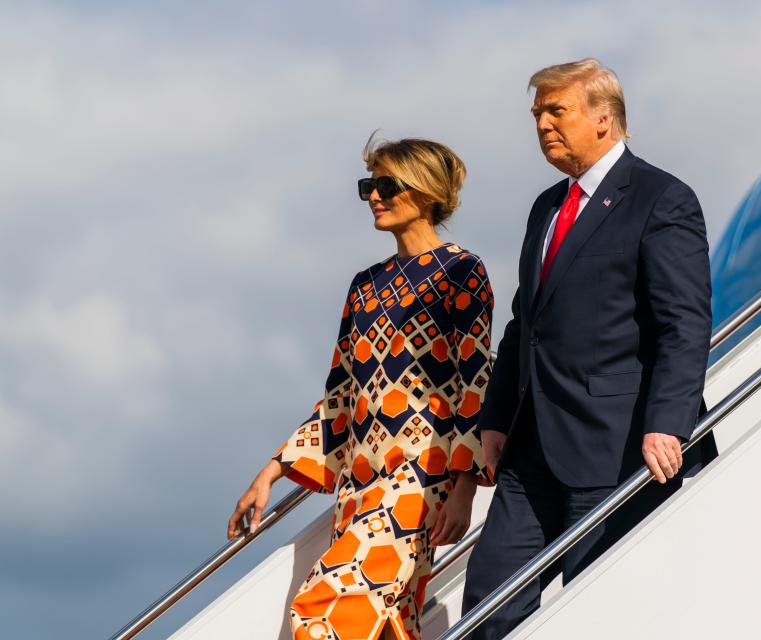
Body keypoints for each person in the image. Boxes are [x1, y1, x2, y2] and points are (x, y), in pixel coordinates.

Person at [461, 58, 716, 638]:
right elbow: (526, 323)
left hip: (618, 447)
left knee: (596, 612)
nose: (543, 125)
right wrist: (496, 418)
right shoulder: (546, 207)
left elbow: (685, 323)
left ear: (604, 119)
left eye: (557, 111)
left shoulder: (661, 198)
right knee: (487, 606)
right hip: (531, 451)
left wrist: (669, 423)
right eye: (537, 114)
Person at [228, 137, 493, 640]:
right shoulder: (364, 285)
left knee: (322, 608)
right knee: (391, 620)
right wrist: (272, 471)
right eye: (368, 185)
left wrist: (463, 490)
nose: (374, 195)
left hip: (421, 477)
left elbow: (475, 382)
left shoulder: (463, 272)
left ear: (427, 192)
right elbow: (341, 394)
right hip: (360, 479)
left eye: (387, 185)